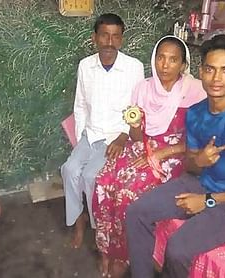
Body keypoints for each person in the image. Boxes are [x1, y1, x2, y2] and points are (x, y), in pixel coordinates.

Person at [125, 34, 225, 278]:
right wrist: (198, 162)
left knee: (178, 249)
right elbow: (191, 165)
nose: (217, 78)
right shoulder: (196, 113)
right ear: (201, 71)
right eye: (210, 69)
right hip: (201, 183)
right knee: (137, 212)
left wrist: (208, 200)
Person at [92, 35, 206, 277]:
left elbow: (199, 142)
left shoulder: (195, 92)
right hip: (142, 148)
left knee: (128, 192)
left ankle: (123, 257)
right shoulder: (143, 88)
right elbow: (136, 137)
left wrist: (164, 152)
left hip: (175, 155)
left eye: (173, 60)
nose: (165, 65)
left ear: (183, 65)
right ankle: (107, 250)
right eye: (160, 58)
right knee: (103, 182)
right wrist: (134, 121)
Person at [61, 13, 144, 249]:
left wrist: (124, 134)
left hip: (115, 136)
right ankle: (79, 220)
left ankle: (100, 230)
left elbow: (136, 109)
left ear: (122, 40)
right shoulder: (86, 66)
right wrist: (79, 140)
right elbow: (80, 105)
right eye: (104, 36)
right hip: (90, 134)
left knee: (91, 176)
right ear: (94, 38)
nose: (110, 42)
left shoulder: (133, 67)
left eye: (116, 36)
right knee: (69, 170)